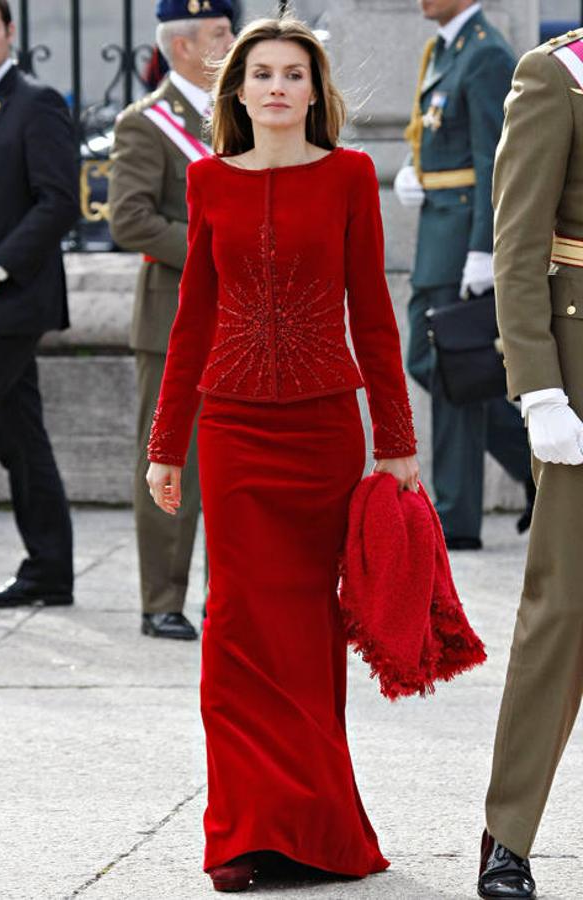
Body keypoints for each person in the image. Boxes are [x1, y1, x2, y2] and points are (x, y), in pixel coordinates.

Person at [146, 14, 419, 893]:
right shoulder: (206, 181)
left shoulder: (347, 176)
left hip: (323, 435)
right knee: (232, 629)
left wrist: (397, 442)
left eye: (292, 74)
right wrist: (167, 446)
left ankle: (317, 833)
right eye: (259, 73)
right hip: (230, 435)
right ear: (236, 91)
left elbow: (373, 315)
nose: (274, 87)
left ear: (314, 91)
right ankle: (242, 835)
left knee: (307, 632)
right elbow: (190, 323)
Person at [478, 26, 583, 900]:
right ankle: (508, 833)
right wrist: (538, 388)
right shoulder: (557, 75)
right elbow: (518, 245)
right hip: (581, 371)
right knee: (564, 610)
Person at [108, 0, 235, 641]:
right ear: (183, 46)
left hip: (242, 322)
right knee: (168, 461)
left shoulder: (243, 114)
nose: (234, 40)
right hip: (172, 320)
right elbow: (128, 218)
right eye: (221, 32)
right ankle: (162, 598)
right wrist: (218, 245)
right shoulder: (146, 123)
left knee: (235, 468)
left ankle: (228, 596)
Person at [394, 0, 534, 550]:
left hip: (461, 245)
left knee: (450, 369)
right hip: (439, 238)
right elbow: (437, 134)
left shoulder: (486, 53)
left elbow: (496, 161)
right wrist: (415, 170)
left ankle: (455, 516)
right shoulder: (447, 48)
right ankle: (534, 465)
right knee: (435, 364)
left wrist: (486, 249)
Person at [0, 0, 78, 609]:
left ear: (9, 33)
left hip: (13, 298)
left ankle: (49, 566)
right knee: (19, 434)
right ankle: (49, 568)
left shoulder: (35, 101)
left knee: (17, 432)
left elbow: (58, 201)